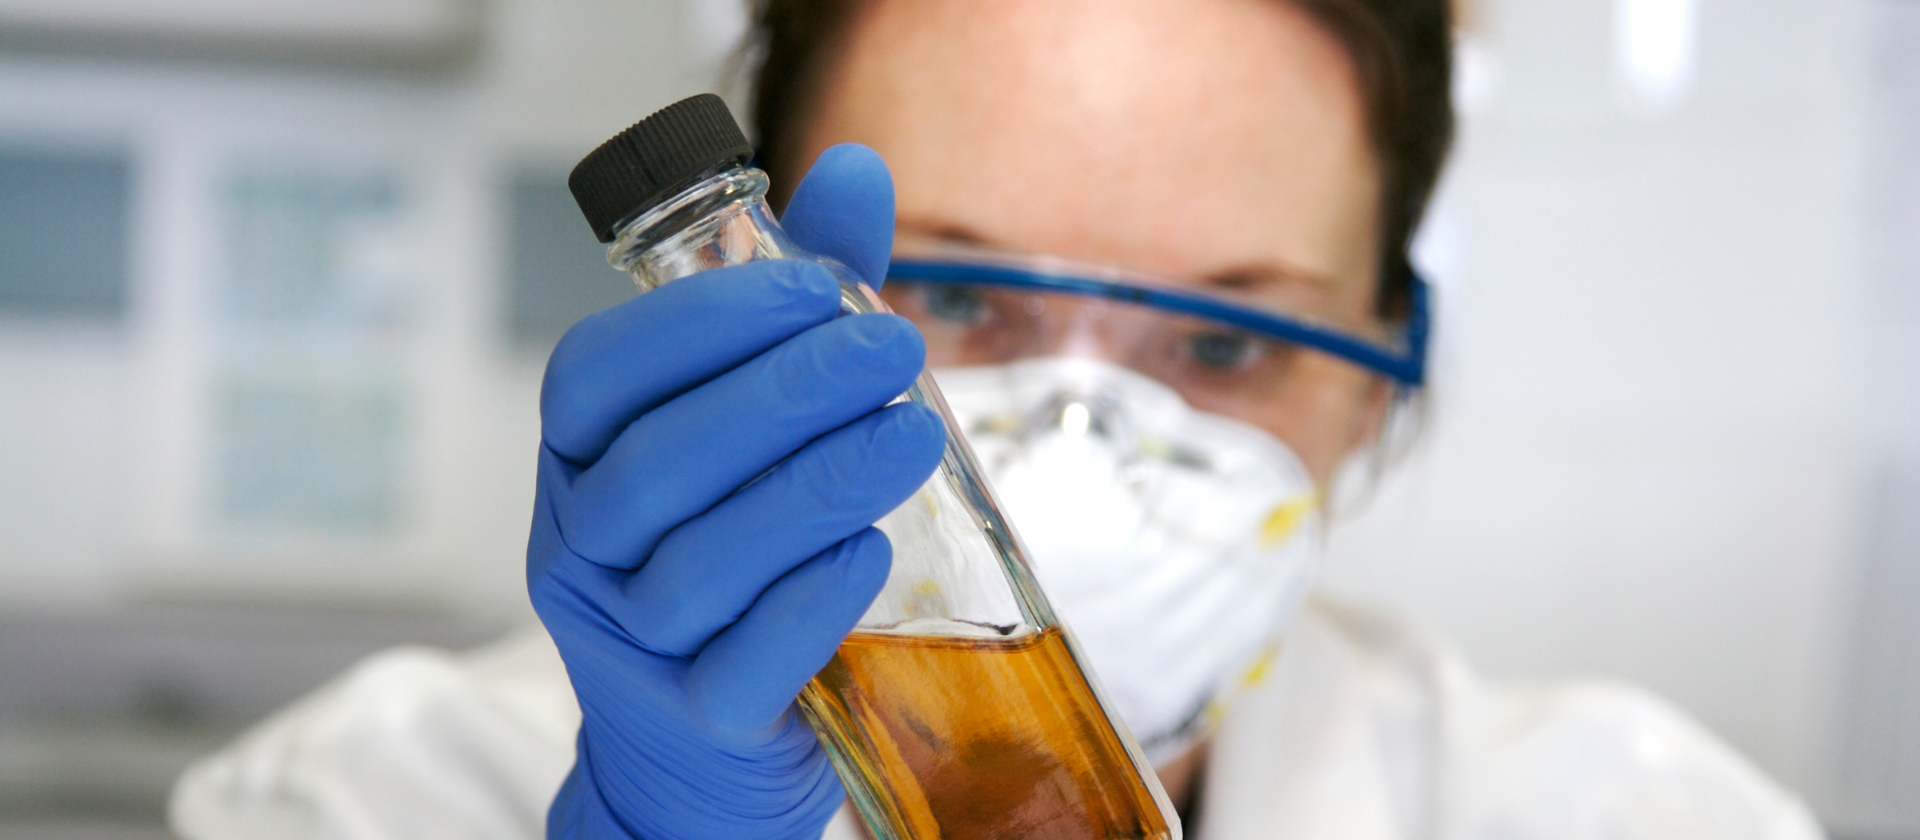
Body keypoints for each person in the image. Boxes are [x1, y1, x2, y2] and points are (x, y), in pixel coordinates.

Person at [169, 0, 1827, 838]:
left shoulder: (1631, 816)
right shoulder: (374, 798)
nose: (1080, 453)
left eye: (1224, 341)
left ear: (1385, 374)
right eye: (960, 301)